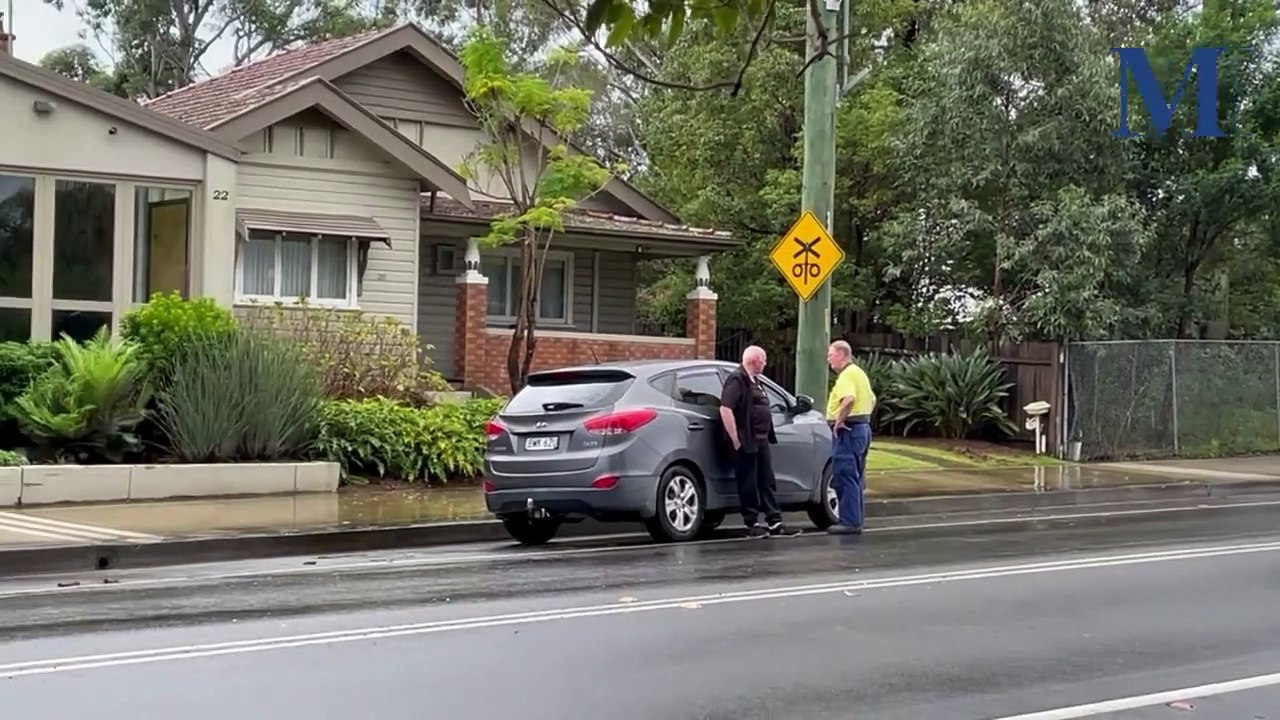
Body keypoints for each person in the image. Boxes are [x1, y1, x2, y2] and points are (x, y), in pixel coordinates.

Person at [719, 346, 801, 538]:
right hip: (747, 439)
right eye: (763, 360)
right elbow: (725, 408)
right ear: (754, 360)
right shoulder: (737, 379)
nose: (765, 363)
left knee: (767, 481)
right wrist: (735, 439)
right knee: (748, 482)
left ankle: (775, 521)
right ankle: (752, 522)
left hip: (761, 439)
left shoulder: (756, 381)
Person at [825, 340, 876, 535]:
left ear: (840, 354)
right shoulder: (859, 373)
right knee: (855, 476)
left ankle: (850, 521)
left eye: (830, 355)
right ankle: (855, 518)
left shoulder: (847, 375)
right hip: (861, 428)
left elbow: (849, 399)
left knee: (844, 475)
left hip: (848, 430)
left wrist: (839, 420)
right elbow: (872, 399)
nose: (829, 360)